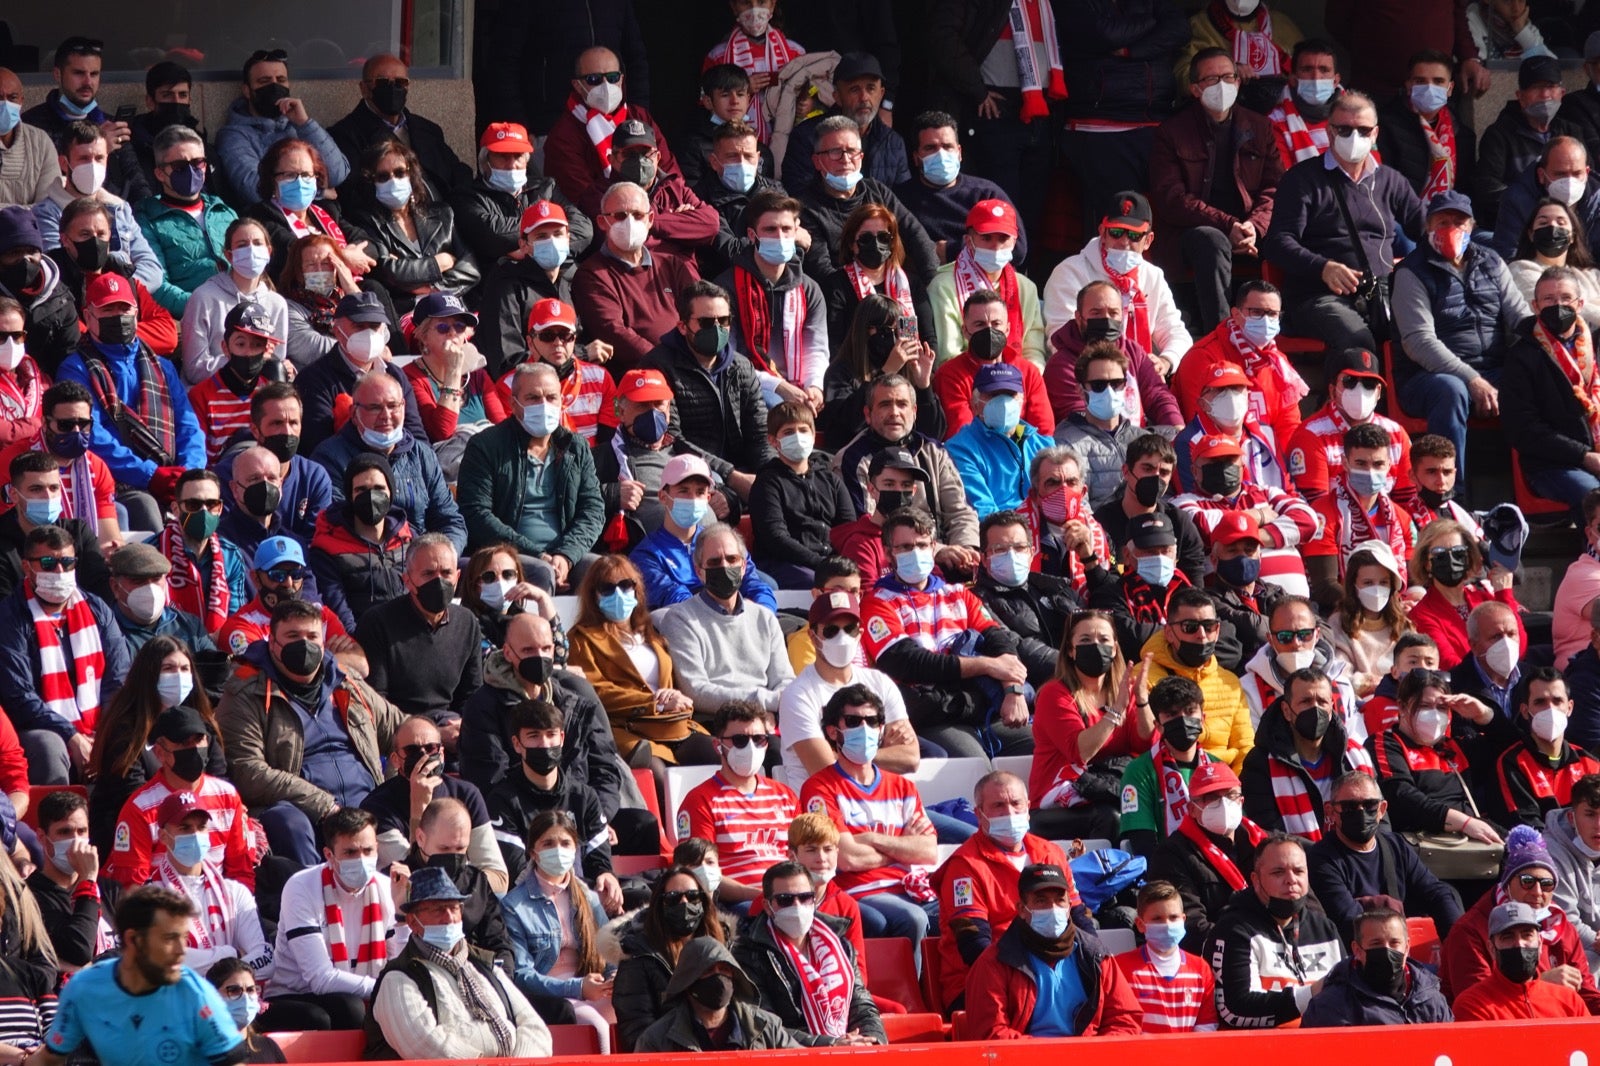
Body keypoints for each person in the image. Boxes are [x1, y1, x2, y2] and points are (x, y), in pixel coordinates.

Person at [216, 598, 402, 865]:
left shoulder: (346, 681)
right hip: (305, 812)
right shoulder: (245, 691)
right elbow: (247, 770)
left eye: (312, 636)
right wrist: (322, 805)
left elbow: (400, 729)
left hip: (369, 805)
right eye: (293, 636)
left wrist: (397, 781)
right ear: (272, 642)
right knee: (286, 821)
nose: (304, 644)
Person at [1263, 90, 1425, 354]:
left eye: (1363, 130)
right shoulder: (1301, 179)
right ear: (1330, 132)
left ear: (1375, 134)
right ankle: (1348, 382)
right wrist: (1323, 267)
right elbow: (1277, 242)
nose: (1354, 137)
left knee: (1423, 334)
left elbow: (1425, 228)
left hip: (1380, 293)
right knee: (1357, 341)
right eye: (1345, 130)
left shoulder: (1390, 180)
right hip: (1319, 296)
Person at [861, 508, 1032, 756]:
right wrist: (986, 665)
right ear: (888, 553)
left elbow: (999, 641)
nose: (916, 552)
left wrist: (1013, 690)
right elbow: (906, 662)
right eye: (905, 547)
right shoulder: (877, 602)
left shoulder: (958, 593)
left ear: (933, 547)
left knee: (1042, 746)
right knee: (974, 764)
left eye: (922, 545)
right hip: (933, 714)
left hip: (978, 703)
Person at [1393, 191, 1531, 485]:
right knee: (1451, 390)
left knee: (1541, 377)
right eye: (1442, 222)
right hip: (1428, 376)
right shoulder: (1411, 271)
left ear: (1472, 226)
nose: (1452, 229)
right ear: (1428, 226)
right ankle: (1449, 494)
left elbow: (1520, 317)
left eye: (1459, 222)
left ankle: (1542, 482)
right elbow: (1418, 341)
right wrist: (1472, 379)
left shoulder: (1492, 262)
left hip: (1494, 367)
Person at [1150, 51, 1284, 334]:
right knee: (1212, 241)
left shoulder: (1259, 127)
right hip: (1191, 232)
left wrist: (1254, 226)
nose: (1222, 85)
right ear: (1195, 89)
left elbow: (1275, 188)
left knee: (1289, 239)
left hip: (1249, 228)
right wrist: (1228, 225)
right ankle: (1221, 335)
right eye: (1212, 79)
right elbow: (1172, 199)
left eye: (1228, 77)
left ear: (1238, 81)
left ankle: (1281, 327)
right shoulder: (1172, 132)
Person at [37, 885, 244, 1066]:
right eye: (169, 938)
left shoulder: (196, 994)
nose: (182, 950)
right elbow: (48, 1059)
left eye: (183, 938)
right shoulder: (84, 989)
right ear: (133, 940)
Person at [799, 685, 940, 949]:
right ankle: (907, 980)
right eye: (853, 721)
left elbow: (928, 852)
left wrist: (873, 839)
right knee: (914, 918)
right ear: (833, 731)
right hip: (857, 890)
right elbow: (847, 858)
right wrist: (903, 848)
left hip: (911, 886)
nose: (864, 728)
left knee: (963, 915)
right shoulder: (819, 788)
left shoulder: (903, 787)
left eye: (872, 721)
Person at [57, 272, 205, 513]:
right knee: (147, 509)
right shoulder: (75, 369)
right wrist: (149, 474)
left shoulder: (163, 366)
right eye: (107, 310)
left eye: (124, 309)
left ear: (136, 314)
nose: (118, 316)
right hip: (116, 481)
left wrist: (189, 472)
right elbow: (91, 434)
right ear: (88, 316)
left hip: (171, 476)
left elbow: (187, 423)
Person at [371, 862, 552, 1059]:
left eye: (454, 908)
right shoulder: (398, 978)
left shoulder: (486, 965)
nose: (449, 917)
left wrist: (519, 1064)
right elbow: (425, 1045)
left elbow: (535, 1028)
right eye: (438, 909)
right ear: (413, 922)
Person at [935, 771, 1080, 1011]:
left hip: (1053, 974)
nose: (1009, 813)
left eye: (1015, 803)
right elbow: (973, 943)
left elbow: (1079, 918)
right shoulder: (964, 866)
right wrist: (1029, 978)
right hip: (979, 983)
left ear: (1028, 807)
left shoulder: (1051, 854)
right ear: (979, 815)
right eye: (998, 806)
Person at [0, 525, 128, 783]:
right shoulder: (10, 617)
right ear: (27, 567)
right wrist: (71, 734)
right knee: (49, 746)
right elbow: (19, 696)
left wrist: (103, 733)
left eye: (67, 563)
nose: (59, 571)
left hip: (98, 724)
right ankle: (59, 809)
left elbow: (119, 678)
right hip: (38, 727)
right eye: (48, 563)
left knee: (130, 735)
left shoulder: (97, 608)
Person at [962, 861, 1143, 1038]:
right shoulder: (994, 962)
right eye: (1041, 901)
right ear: (1021, 909)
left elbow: (1124, 1018)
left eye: (1060, 900)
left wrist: (1094, 1052)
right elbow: (991, 1032)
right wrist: (1048, 1053)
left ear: (1069, 906)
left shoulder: (1095, 955)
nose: (1053, 908)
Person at [268, 808, 405, 1030]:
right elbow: (319, 978)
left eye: (368, 851)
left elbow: (401, 964)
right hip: (296, 994)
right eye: (350, 852)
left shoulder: (388, 888)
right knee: (348, 1009)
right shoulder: (301, 887)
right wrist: (385, 988)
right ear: (329, 855)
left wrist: (403, 916)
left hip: (362, 991)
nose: (361, 860)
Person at [105, 698, 256, 891]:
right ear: (160, 753)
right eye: (184, 743)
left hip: (219, 902)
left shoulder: (227, 796)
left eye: (199, 740)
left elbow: (241, 873)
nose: (194, 749)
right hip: (161, 905)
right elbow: (132, 888)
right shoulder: (140, 808)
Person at [1443, 823, 1600, 1009]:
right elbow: (1477, 1005)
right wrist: (1542, 984)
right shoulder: (1470, 930)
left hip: (1552, 1019)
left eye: (1547, 884)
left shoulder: (1560, 925)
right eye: (1527, 881)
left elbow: (1588, 997)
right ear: (1507, 885)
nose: (1537, 892)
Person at [485, 699, 625, 908]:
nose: (544, 744)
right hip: (529, 903)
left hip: (584, 897)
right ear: (517, 744)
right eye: (534, 736)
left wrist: (605, 876)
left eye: (551, 735)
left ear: (562, 738)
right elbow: (516, 871)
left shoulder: (584, 796)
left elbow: (598, 860)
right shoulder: (502, 801)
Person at [778, 589, 917, 791]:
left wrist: (843, 754)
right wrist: (881, 752)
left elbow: (910, 758)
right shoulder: (798, 695)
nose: (842, 638)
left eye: (850, 629)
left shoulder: (880, 683)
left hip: (882, 801)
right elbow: (825, 769)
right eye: (831, 631)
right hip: (825, 803)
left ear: (860, 634)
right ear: (813, 636)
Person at [311, 372, 466, 554]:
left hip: (426, 558)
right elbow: (337, 523)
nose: (386, 415)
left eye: (393, 406)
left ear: (404, 407)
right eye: (374, 408)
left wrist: (445, 555)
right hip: (364, 558)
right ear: (354, 413)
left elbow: (450, 520)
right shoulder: (330, 458)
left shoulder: (422, 455)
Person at [733, 860, 884, 1046]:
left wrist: (871, 1040)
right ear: (767, 906)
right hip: (790, 1055)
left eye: (805, 897)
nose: (797, 906)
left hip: (848, 1049)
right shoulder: (747, 953)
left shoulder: (839, 945)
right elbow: (763, 1026)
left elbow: (862, 1006)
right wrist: (830, 1045)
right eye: (785, 900)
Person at [1042, 191, 1194, 374]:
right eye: (1116, 232)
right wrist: (1112, 371)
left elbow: (1175, 331)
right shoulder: (1069, 272)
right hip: (1082, 374)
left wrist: (1165, 361)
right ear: (1102, 232)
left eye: (1134, 235)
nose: (1124, 241)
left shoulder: (1153, 276)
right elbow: (1059, 339)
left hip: (1142, 375)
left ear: (1148, 240)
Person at [499, 808, 616, 1044]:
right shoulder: (514, 905)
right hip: (553, 997)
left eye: (565, 843)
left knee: (631, 1012)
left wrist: (613, 977)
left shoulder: (587, 897)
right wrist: (578, 988)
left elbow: (610, 950)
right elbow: (522, 975)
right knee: (597, 1028)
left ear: (575, 849)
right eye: (548, 843)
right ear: (533, 852)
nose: (558, 850)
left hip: (593, 988)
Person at [1306, 770, 1465, 943]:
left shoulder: (1396, 846)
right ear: (1330, 811)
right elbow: (1347, 919)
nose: (1361, 812)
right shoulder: (1321, 859)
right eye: (1349, 807)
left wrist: (1456, 941)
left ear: (1382, 809)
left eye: (1370, 805)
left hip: (1399, 946)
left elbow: (1437, 893)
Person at [1205, 832, 1344, 1028]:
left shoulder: (1324, 928)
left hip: (1325, 1043)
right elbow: (1233, 1011)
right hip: (1260, 1046)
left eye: (1299, 871)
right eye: (1278, 872)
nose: (1291, 880)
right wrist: (1310, 994)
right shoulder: (1233, 930)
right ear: (1256, 880)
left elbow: (1348, 996)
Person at [834, 374, 980, 555]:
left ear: (914, 411)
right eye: (885, 404)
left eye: (902, 404)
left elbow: (961, 512)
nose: (894, 412)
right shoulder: (851, 460)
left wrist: (966, 551)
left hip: (944, 551)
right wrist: (936, 552)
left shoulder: (934, 452)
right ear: (868, 414)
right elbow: (868, 528)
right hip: (889, 558)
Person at [142, 789, 271, 978]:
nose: (195, 835)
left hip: (234, 993)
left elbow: (266, 959)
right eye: (185, 828)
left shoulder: (235, 892)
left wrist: (223, 977)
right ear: (163, 836)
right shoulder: (148, 899)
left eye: (201, 827)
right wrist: (231, 955)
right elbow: (163, 958)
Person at [792, 116, 937, 284]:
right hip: (841, 294)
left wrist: (933, 281)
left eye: (851, 151)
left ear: (861, 156)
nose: (845, 159)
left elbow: (916, 235)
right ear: (817, 161)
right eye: (835, 152)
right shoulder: (806, 208)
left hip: (892, 285)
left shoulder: (877, 191)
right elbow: (822, 271)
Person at [353, 534, 483, 721]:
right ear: (407, 580)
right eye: (428, 574)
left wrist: (463, 728)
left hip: (451, 725)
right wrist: (430, 731)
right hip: (400, 728)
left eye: (446, 573)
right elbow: (376, 702)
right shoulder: (377, 623)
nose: (439, 582)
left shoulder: (467, 622)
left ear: (457, 577)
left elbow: (471, 696)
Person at [343, 138, 480, 315]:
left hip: (454, 308)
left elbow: (470, 268)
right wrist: (439, 263)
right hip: (408, 314)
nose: (393, 181)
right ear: (371, 182)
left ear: (412, 174)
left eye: (400, 173)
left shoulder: (443, 213)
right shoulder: (366, 221)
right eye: (383, 177)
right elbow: (390, 272)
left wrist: (435, 289)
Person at [576, 182, 704, 371]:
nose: (630, 223)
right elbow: (614, 332)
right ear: (602, 222)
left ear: (650, 219)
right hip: (644, 375)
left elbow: (700, 311)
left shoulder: (672, 264)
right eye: (620, 216)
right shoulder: (591, 275)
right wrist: (668, 364)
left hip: (691, 364)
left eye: (638, 215)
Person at [1369, 668, 1505, 845]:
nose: (1434, 715)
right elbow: (1401, 795)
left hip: (1471, 839)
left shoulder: (1456, 747)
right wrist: (1463, 822)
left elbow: (1511, 748)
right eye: (1424, 706)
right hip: (1419, 843)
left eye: (1441, 708)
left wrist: (1483, 715)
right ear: (1402, 706)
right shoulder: (1385, 743)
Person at [1501, 265, 1600, 509]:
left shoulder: (1595, 346)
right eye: (1549, 299)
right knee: (1594, 497)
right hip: (1552, 465)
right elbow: (1523, 429)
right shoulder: (1521, 356)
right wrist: (1583, 456)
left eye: (1566, 298)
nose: (1558, 305)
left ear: (1580, 304)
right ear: (1535, 306)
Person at [1240, 664, 1372, 841]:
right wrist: (1328, 854)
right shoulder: (1260, 763)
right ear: (1287, 711)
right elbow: (1269, 832)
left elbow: (1378, 818)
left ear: (1332, 707)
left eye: (1322, 702)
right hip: (1298, 856)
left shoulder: (1355, 757)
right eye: (1306, 701)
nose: (1315, 709)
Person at [1172, 435, 1316, 598]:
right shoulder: (1183, 502)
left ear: (1242, 466)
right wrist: (1260, 515)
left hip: (1294, 602)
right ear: (1194, 471)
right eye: (1214, 462)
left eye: (1230, 461)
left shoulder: (1266, 492)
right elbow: (1204, 527)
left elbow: (1308, 521)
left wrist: (1248, 536)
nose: (1223, 468)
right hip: (1232, 604)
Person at [1171, 282, 1305, 455]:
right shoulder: (1203, 357)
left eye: (1272, 314)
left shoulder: (1279, 364)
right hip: (1217, 459)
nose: (1266, 321)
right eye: (1256, 312)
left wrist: (1282, 466)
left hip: (1268, 461)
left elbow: (1289, 425)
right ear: (1236, 314)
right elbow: (1201, 426)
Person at [1146, 759, 1265, 952]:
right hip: (1223, 952)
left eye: (1230, 795)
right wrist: (1249, 945)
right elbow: (1191, 925)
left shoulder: (1265, 843)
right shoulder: (1172, 855)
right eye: (1211, 797)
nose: (1223, 804)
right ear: (1192, 809)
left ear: (1241, 801)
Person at [34, 123, 163, 293]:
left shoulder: (120, 209)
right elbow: (58, 271)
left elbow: (153, 271)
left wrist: (117, 290)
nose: (93, 166)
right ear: (64, 163)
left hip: (125, 300)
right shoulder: (45, 213)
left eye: (99, 158)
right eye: (84, 158)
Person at [612, 864, 728, 1052]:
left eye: (692, 896)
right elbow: (637, 1030)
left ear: (703, 902)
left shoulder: (726, 948)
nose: (684, 903)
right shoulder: (638, 956)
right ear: (660, 905)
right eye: (673, 898)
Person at [543, 46, 678, 206]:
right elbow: (585, 198)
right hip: (608, 214)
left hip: (656, 207)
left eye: (613, 77)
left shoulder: (639, 116)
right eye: (594, 79)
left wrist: (670, 208)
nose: (606, 85)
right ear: (577, 85)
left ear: (621, 79)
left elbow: (670, 173)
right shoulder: (564, 134)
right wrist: (640, 214)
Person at [328, 54, 472, 202]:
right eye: (382, 82)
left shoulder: (428, 130)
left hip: (445, 210)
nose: (393, 88)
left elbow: (458, 173)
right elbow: (355, 192)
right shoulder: (344, 136)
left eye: (400, 82)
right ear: (364, 88)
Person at [1303, 423, 1417, 611]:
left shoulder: (1401, 518)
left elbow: (1413, 581)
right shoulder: (1323, 513)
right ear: (1345, 463)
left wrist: (1414, 600)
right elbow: (1324, 586)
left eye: (1378, 464)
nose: (1370, 472)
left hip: (1393, 609)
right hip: (1339, 612)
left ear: (1389, 464)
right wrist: (1377, 607)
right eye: (1361, 464)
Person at [215, 49, 350, 208]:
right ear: (247, 90)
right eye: (264, 81)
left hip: (317, 216)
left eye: (281, 80)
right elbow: (254, 190)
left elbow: (337, 174)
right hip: (271, 219)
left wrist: (304, 123)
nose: (274, 86)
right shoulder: (234, 136)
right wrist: (319, 193)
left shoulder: (299, 126)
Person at [1284, 347, 1418, 506]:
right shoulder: (1310, 436)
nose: (1360, 391)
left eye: (1369, 384)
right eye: (1350, 381)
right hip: (1331, 520)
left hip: (1389, 520)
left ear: (1379, 392)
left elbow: (1409, 503)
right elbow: (1316, 508)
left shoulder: (1397, 434)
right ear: (1333, 391)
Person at [1044, 280, 1184, 432]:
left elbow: (1158, 395)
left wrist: (1176, 428)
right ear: (1078, 318)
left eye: (1113, 313)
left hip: (1138, 440)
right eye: (1096, 313)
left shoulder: (1133, 351)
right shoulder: (1062, 365)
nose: (1106, 319)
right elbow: (1078, 418)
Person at [895, 111, 1029, 268]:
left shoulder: (986, 193)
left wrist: (951, 251)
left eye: (947, 147)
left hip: (981, 279)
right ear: (916, 157)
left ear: (959, 153)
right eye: (930, 148)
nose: (941, 154)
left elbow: (1017, 248)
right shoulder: (900, 199)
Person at [449, 122, 592, 269]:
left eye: (518, 156)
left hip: (559, 273)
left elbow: (583, 228)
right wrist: (551, 236)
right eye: (503, 156)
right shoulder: (467, 196)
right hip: (502, 277)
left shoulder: (546, 187)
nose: (512, 165)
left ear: (527, 160)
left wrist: (531, 251)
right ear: (485, 161)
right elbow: (492, 235)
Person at [20, 38, 147, 202]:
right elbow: (44, 182)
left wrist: (144, 211)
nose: (88, 82)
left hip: (117, 211)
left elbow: (136, 179)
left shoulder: (109, 124)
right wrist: (100, 148)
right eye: (79, 73)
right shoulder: (32, 124)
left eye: (94, 74)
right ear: (58, 74)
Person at [1143, 586, 1255, 771]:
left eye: (1209, 626)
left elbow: (1245, 748)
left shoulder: (1230, 682)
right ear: (1169, 633)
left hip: (1225, 779)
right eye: (1190, 627)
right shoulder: (1144, 679)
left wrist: (1235, 786)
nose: (1202, 635)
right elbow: (1144, 745)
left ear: (1217, 631)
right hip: (1169, 778)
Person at [926, 200, 1045, 371]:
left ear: (1014, 242)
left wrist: (1023, 381)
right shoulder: (943, 286)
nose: (995, 246)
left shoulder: (1026, 287)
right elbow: (949, 356)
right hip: (964, 381)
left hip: (1020, 381)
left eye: (1003, 238)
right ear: (968, 241)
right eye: (986, 238)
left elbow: (1034, 353)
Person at [748, 402, 855, 588]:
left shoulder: (831, 479)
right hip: (783, 563)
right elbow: (776, 538)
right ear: (773, 440)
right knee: (818, 583)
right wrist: (821, 563)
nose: (798, 436)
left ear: (813, 435)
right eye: (789, 432)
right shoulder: (767, 483)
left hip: (830, 561)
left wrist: (839, 562)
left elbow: (848, 528)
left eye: (803, 430)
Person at [633, 936, 800, 1052]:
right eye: (708, 971)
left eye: (724, 969)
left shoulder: (766, 1027)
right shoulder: (656, 1040)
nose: (718, 977)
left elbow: (800, 1059)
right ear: (688, 982)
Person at [404, 796, 516, 967]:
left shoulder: (476, 882)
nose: (453, 856)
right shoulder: (399, 880)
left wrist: (500, 975)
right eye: (444, 848)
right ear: (420, 838)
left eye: (460, 848)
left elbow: (499, 942)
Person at [819, 209, 936, 368]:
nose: (875, 244)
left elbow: (929, 339)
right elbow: (835, 346)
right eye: (866, 238)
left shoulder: (911, 283)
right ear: (852, 244)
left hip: (910, 372)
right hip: (859, 374)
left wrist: (924, 374)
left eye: (883, 238)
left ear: (892, 243)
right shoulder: (836, 285)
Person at [308, 454, 413, 630]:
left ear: (391, 493)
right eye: (361, 490)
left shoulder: (408, 538)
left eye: (379, 488)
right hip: (361, 638)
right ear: (350, 496)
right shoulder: (327, 548)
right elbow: (338, 610)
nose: (371, 496)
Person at [1300, 907, 1453, 1026]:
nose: (1387, 950)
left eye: (1394, 943)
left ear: (1406, 948)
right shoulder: (1331, 1006)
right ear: (1357, 950)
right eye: (1376, 943)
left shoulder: (1431, 998)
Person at [933, 288, 1053, 437]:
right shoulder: (950, 374)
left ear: (1007, 329)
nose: (989, 331)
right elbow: (962, 433)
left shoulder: (1028, 372)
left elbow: (1044, 431)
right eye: (980, 324)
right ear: (965, 331)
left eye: (996, 324)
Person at [477, 213, 583, 380]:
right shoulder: (505, 285)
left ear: (568, 239)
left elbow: (578, 336)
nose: (552, 242)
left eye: (558, 234)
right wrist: (582, 355)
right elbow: (507, 362)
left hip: (571, 382)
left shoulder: (569, 281)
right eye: (541, 237)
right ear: (524, 245)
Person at [1477, 56, 1578, 228]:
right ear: (1520, 96)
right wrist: (1536, 209)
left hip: (1568, 223)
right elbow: (1488, 188)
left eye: (1550, 86)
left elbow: (1589, 181)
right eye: (1536, 87)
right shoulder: (1499, 135)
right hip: (1515, 226)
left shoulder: (1572, 132)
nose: (1545, 95)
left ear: (1562, 93)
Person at [26, 788, 120, 972]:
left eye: (82, 831)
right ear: (42, 838)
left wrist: (93, 966)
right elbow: (79, 950)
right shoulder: (30, 897)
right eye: (65, 832)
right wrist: (88, 880)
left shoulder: (111, 890)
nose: (76, 841)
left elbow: (139, 947)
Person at [1493, 669, 1600, 828]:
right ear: (1525, 711)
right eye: (1540, 702)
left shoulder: (1590, 764)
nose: (1550, 709)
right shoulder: (1513, 763)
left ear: (1569, 708)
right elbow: (1527, 826)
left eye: (1557, 701)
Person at [1407, 519, 1519, 671]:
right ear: (1427, 563)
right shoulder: (1421, 614)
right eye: (1439, 554)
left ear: (1468, 557)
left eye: (1458, 552)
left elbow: (1518, 649)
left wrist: (1504, 594)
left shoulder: (1484, 600)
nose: (1451, 560)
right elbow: (1450, 665)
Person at [0, 449, 110, 603]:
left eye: (53, 488)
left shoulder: (78, 532)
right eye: (36, 489)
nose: (48, 496)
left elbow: (101, 591)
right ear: (14, 495)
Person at [1452, 901, 1589, 1019]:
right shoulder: (1473, 1004)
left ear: (1540, 943)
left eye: (1527, 935)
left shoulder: (1570, 1001)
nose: (1519, 944)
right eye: (1507, 937)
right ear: (1492, 948)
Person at [1054, 345, 1152, 510]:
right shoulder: (1066, 443)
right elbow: (1078, 507)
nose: (1109, 392)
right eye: (1098, 385)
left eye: (1116, 383)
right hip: (1098, 524)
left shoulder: (1142, 438)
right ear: (1081, 390)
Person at [1113, 880, 1219, 1033]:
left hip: (1188, 1048)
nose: (1167, 925)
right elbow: (1118, 1024)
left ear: (1183, 920)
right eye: (1157, 919)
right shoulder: (1120, 968)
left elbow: (1206, 1025)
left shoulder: (1200, 969)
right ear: (1140, 924)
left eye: (1173, 917)